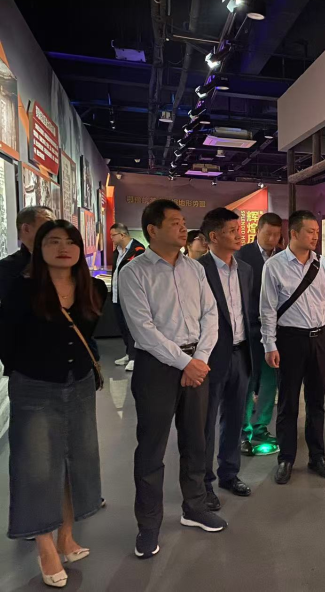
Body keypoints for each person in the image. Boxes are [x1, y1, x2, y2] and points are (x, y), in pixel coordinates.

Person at [0, 220, 107, 588]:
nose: (63, 248)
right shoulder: (23, 289)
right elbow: (6, 338)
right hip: (35, 386)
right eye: (53, 241)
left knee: (74, 460)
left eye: (70, 241)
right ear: (39, 248)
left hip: (78, 384)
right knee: (35, 467)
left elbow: (88, 336)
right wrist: (26, 370)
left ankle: (66, 535)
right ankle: (44, 546)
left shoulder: (93, 288)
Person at [119, 199, 226, 560]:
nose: (183, 228)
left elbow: (211, 315)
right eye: (175, 223)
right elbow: (143, 330)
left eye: (183, 222)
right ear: (152, 230)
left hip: (197, 363)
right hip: (157, 367)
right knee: (152, 448)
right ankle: (148, 524)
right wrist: (185, 363)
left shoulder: (195, 269)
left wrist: (199, 360)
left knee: (196, 440)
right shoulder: (134, 273)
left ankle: (194, 507)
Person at [261, 209, 325, 485]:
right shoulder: (274, 266)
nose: (315, 236)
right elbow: (267, 309)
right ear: (293, 233)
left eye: (317, 232)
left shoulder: (322, 264)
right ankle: (286, 458)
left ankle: (317, 456)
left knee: (317, 402)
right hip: (289, 340)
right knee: (288, 402)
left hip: (319, 339)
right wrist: (269, 344)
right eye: (310, 231)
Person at [198, 208, 254, 510]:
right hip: (210, 358)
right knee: (205, 423)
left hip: (241, 353)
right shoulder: (198, 270)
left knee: (235, 418)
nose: (238, 235)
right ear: (214, 236)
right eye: (232, 230)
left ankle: (229, 474)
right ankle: (204, 483)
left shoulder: (245, 270)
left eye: (238, 229)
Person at [235, 212, 283, 456]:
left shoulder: (283, 257)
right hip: (250, 328)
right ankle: (243, 432)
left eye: (277, 235)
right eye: (268, 234)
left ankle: (261, 427)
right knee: (248, 381)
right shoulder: (242, 255)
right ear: (257, 230)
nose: (272, 239)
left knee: (269, 380)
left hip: (276, 331)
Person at [109, 223, 145, 372]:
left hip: (131, 296)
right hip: (117, 295)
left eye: (113, 235)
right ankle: (128, 353)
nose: (111, 238)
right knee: (123, 326)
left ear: (122, 235)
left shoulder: (138, 250)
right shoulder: (117, 252)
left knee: (132, 328)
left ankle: (135, 357)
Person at [0, 205, 53, 299]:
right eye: (48, 225)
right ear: (26, 229)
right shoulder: (6, 268)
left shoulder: (61, 261)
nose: (54, 230)